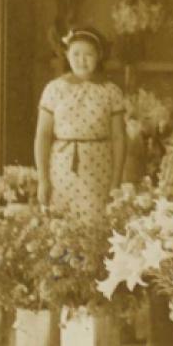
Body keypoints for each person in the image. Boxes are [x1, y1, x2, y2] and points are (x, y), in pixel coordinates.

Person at [34, 26, 126, 223]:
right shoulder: (54, 89)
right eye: (76, 54)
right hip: (61, 169)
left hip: (98, 169)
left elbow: (119, 137)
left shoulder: (111, 92)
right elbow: (43, 135)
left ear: (99, 56)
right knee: (61, 228)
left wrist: (116, 182)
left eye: (88, 54)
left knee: (95, 227)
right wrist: (43, 180)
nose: (81, 60)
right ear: (67, 55)